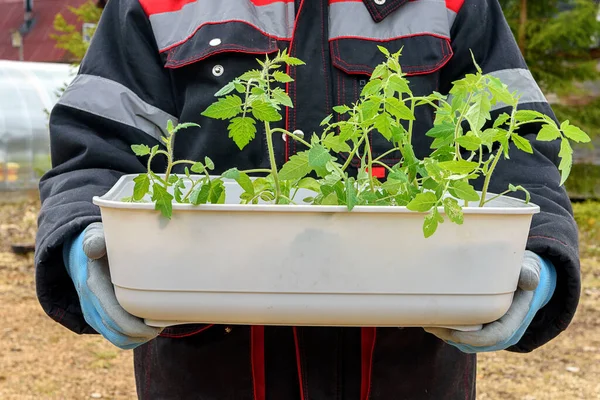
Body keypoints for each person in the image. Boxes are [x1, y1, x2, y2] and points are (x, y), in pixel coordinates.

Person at [35, 0, 581, 398]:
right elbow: (97, 152)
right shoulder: (159, 4)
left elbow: (518, 145)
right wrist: (82, 241)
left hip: (406, 373)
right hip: (210, 373)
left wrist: (536, 253)